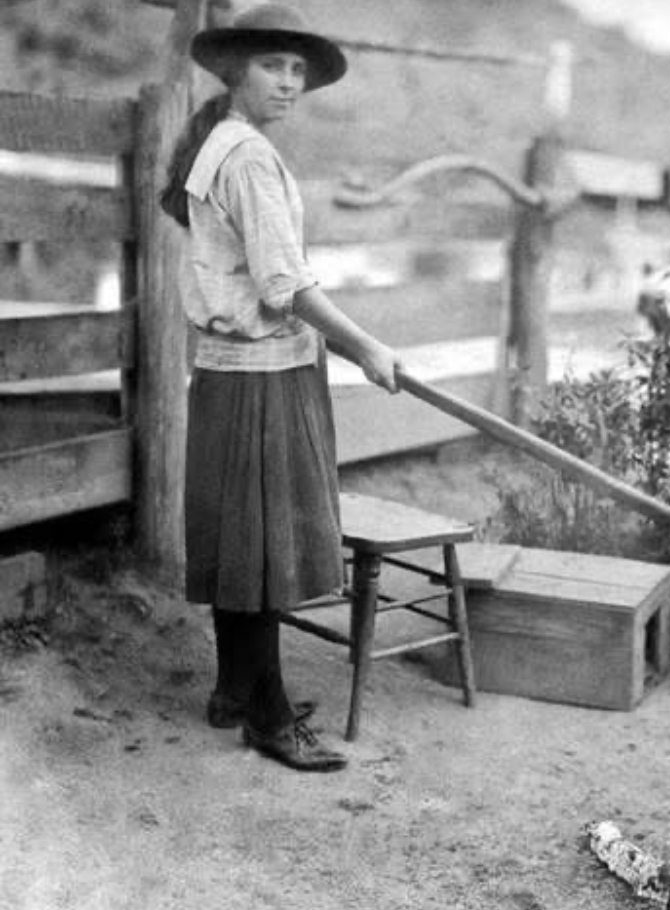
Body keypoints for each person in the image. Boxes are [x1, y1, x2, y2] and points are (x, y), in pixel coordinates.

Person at [159, 3, 400, 772]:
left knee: (242, 537)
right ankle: (266, 716)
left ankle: (234, 687)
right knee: (260, 545)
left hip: (235, 374)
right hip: (258, 375)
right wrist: (365, 344)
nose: (290, 83)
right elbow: (284, 283)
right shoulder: (247, 156)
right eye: (274, 66)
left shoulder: (227, 145)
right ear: (236, 72)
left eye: (298, 71)